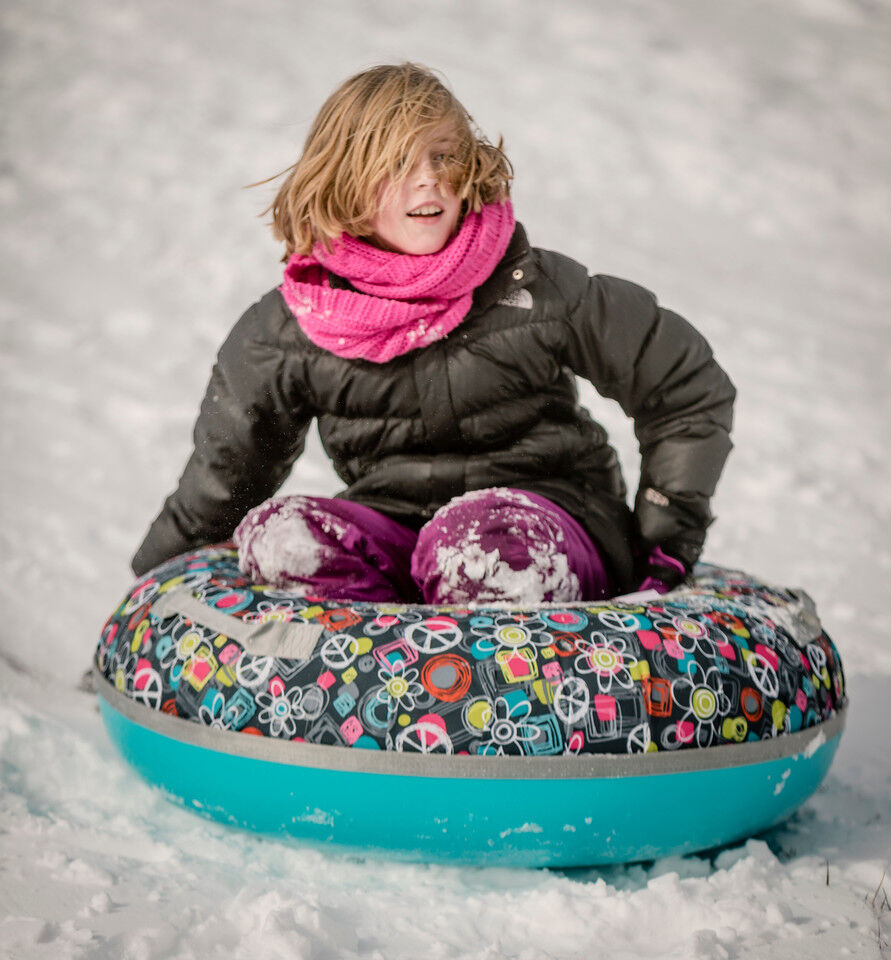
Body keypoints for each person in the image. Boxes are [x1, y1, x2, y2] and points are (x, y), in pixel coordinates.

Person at [131, 62, 735, 606]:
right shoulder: (293, 327)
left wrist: (664, 537)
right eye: (396, 163)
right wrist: (151, 592)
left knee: (473, 547)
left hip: (554, 519)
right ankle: (373, 684)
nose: (429, 181)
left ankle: (499, 700)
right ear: (342, 182)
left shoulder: (534, 289)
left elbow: (682, 384)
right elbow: (225, 474)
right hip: (395, 524)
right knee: (282, 537)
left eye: (444, 157)